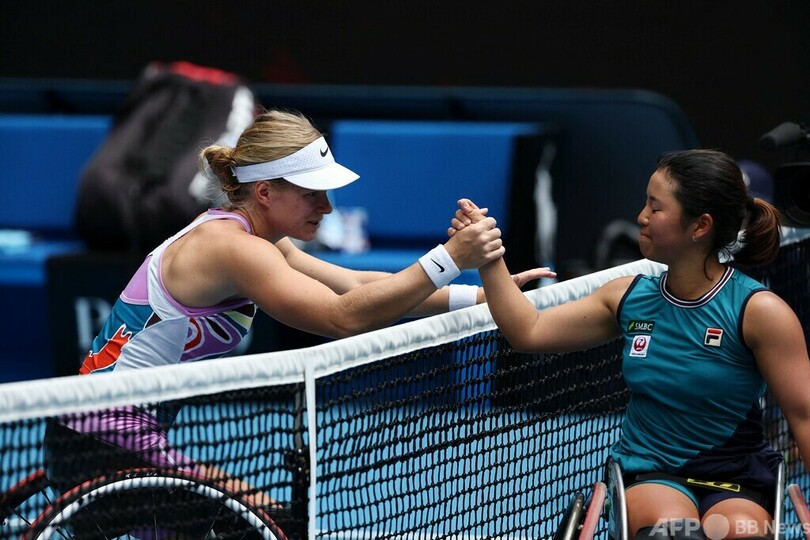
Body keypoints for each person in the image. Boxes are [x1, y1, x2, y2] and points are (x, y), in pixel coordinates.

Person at [44, 108, 552, 505]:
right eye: (313, 194)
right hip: (104, 443)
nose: (326, 208)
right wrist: (449, 258)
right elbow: (343, 317)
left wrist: (488, 296)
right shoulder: (234, 248)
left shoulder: (257, 237)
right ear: (265, 192)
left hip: (116, 435)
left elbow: (355, 284)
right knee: (269, 520)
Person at [451, 149, 810, 539]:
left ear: (700, 225)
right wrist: (489, 257)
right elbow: (529, 331)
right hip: (653, 473)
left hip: (738, 478)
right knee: (675, 534)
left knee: (740, 533)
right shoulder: (627, 298)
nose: (641, 216)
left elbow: (804, 418)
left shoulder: (759, 312)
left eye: (655, 207)